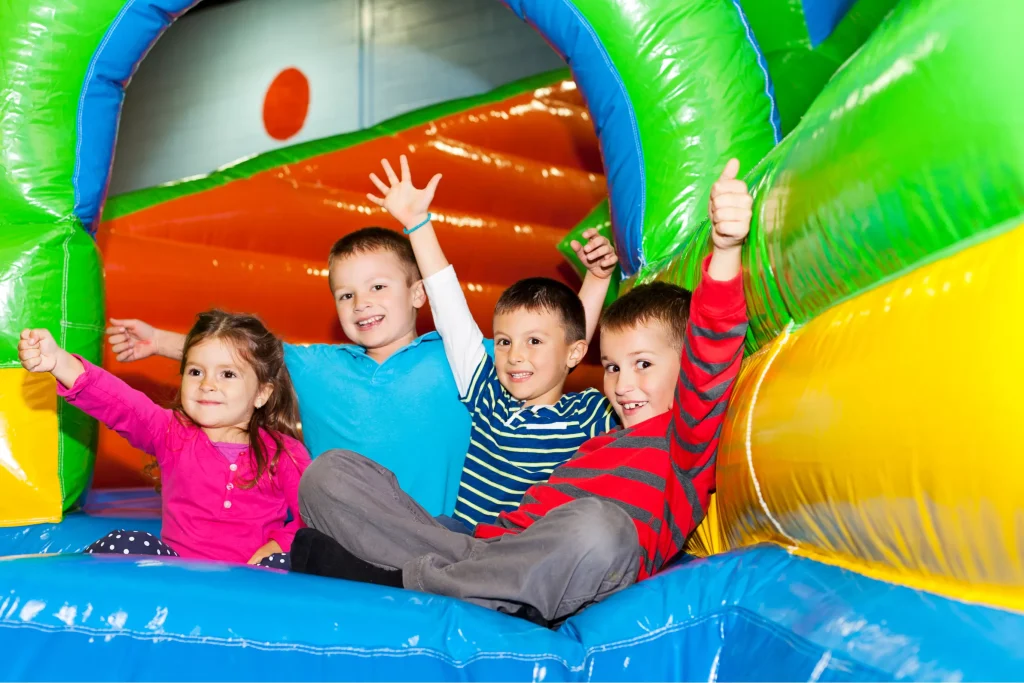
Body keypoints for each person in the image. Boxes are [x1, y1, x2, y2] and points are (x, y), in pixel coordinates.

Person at [291, 158, 753, 625]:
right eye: (611, 366)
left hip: (572, 558)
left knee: (601, 527)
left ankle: (399, 586)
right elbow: (541, 350)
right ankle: (469, 588)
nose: (623, 384)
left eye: (643, 366)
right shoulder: (597, 431)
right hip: (485, 546)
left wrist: (727, 249)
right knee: (328, 475)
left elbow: (704, 350)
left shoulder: (679, 439)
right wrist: (419, 224)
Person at [105, 228, 472, 516]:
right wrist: (157, 341)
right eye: (346, 295)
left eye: (378, 287)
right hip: (346, 538)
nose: (362, 303)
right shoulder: (322, 366)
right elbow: (240, 355)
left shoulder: (456, 358)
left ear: (418, 294)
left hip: (437, 533)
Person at [366, 155, 619, 529]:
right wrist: (417, 224)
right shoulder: (487, 394)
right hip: (463, 543)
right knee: (339, 478)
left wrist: (598, 279)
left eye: (533, 341)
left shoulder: (589, 414)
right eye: (503, 342)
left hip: (525, 554)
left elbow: (568, 336)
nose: (515, 355)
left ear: (575, 354)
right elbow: (450, 310)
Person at [18, 310, 310, 567]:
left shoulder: (285, 452)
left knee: (296, 558)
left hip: (255, 576)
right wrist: (59, 362)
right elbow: (120, 403)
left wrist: (277, 545)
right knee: (125, 542)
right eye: (196, 371)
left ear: (262, 393)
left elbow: (308, 517)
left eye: (228, 375)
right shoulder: (171, 432)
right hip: (176, 574)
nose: (208, 384)